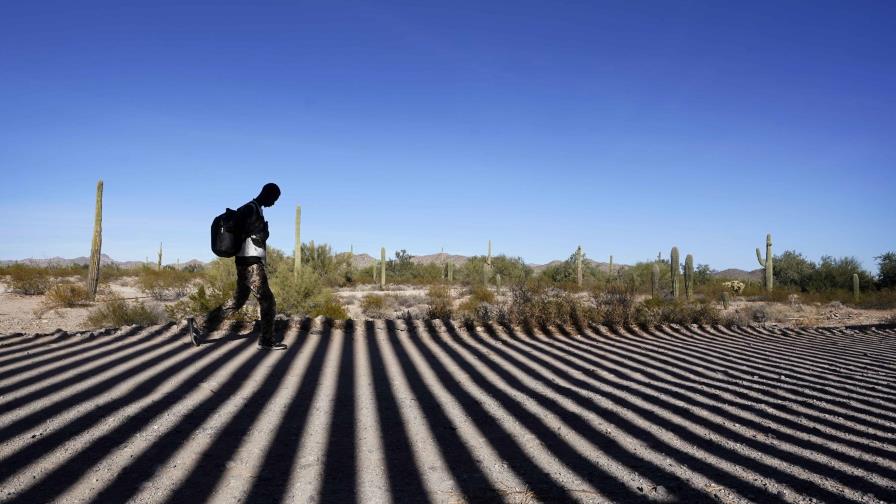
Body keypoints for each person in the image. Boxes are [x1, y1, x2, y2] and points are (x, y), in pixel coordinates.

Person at [189, 183, 286, 350]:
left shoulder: (254, 209)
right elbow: (244, 230)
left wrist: (260, 231)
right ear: (267, 194)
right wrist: (260, 230)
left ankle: (200, 323)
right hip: (250, 263)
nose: (274, 203)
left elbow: (251, 233)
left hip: (245, 261)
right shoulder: (250, 209)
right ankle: (266, 341)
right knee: (267, 300)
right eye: (274, 199)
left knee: (237, 300)